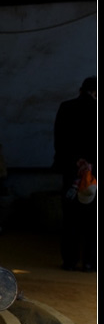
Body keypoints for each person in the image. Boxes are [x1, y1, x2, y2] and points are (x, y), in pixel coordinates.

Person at [53, 76, 97, 271]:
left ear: (81, 90)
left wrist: (77, 162)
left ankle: (69, 260)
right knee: (93, 220)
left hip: (72, 171)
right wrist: (91, 164)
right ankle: (90, 261)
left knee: (71, 217)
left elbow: (59, 140)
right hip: (94, 174)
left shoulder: (66, 108)